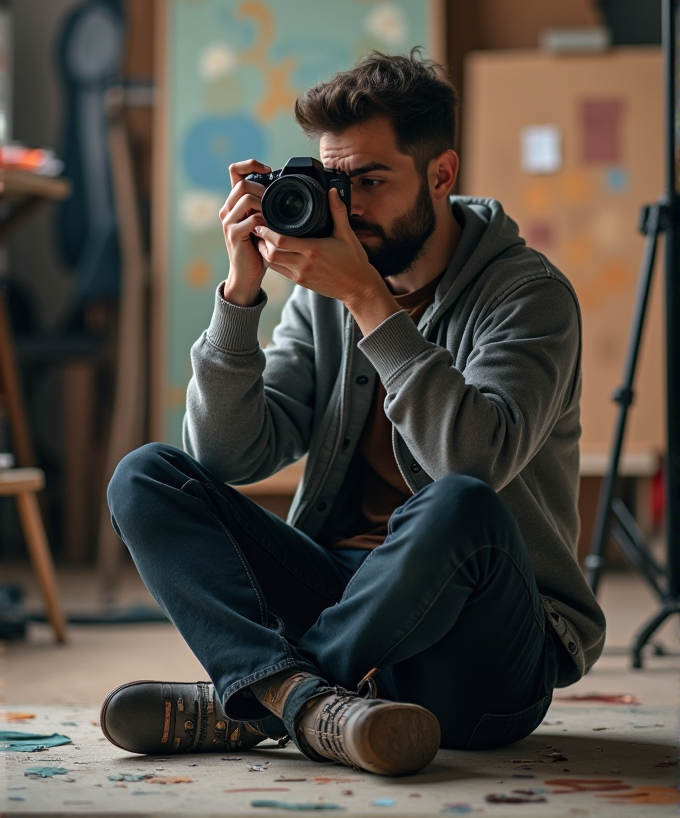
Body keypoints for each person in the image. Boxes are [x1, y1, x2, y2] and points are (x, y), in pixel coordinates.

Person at [102, 51, 605, 775]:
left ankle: (258, 698)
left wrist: (372, 302)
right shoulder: (318, 289)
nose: (349, 208)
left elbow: (475, 463)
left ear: (441, 175)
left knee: (457, 504)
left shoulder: (528, 296)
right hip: (343, 597)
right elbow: (228, 456)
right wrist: (242, 296)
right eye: (337, 183)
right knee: (146, 474)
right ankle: (298, 698)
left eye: (371, 181)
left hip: (480, 653)